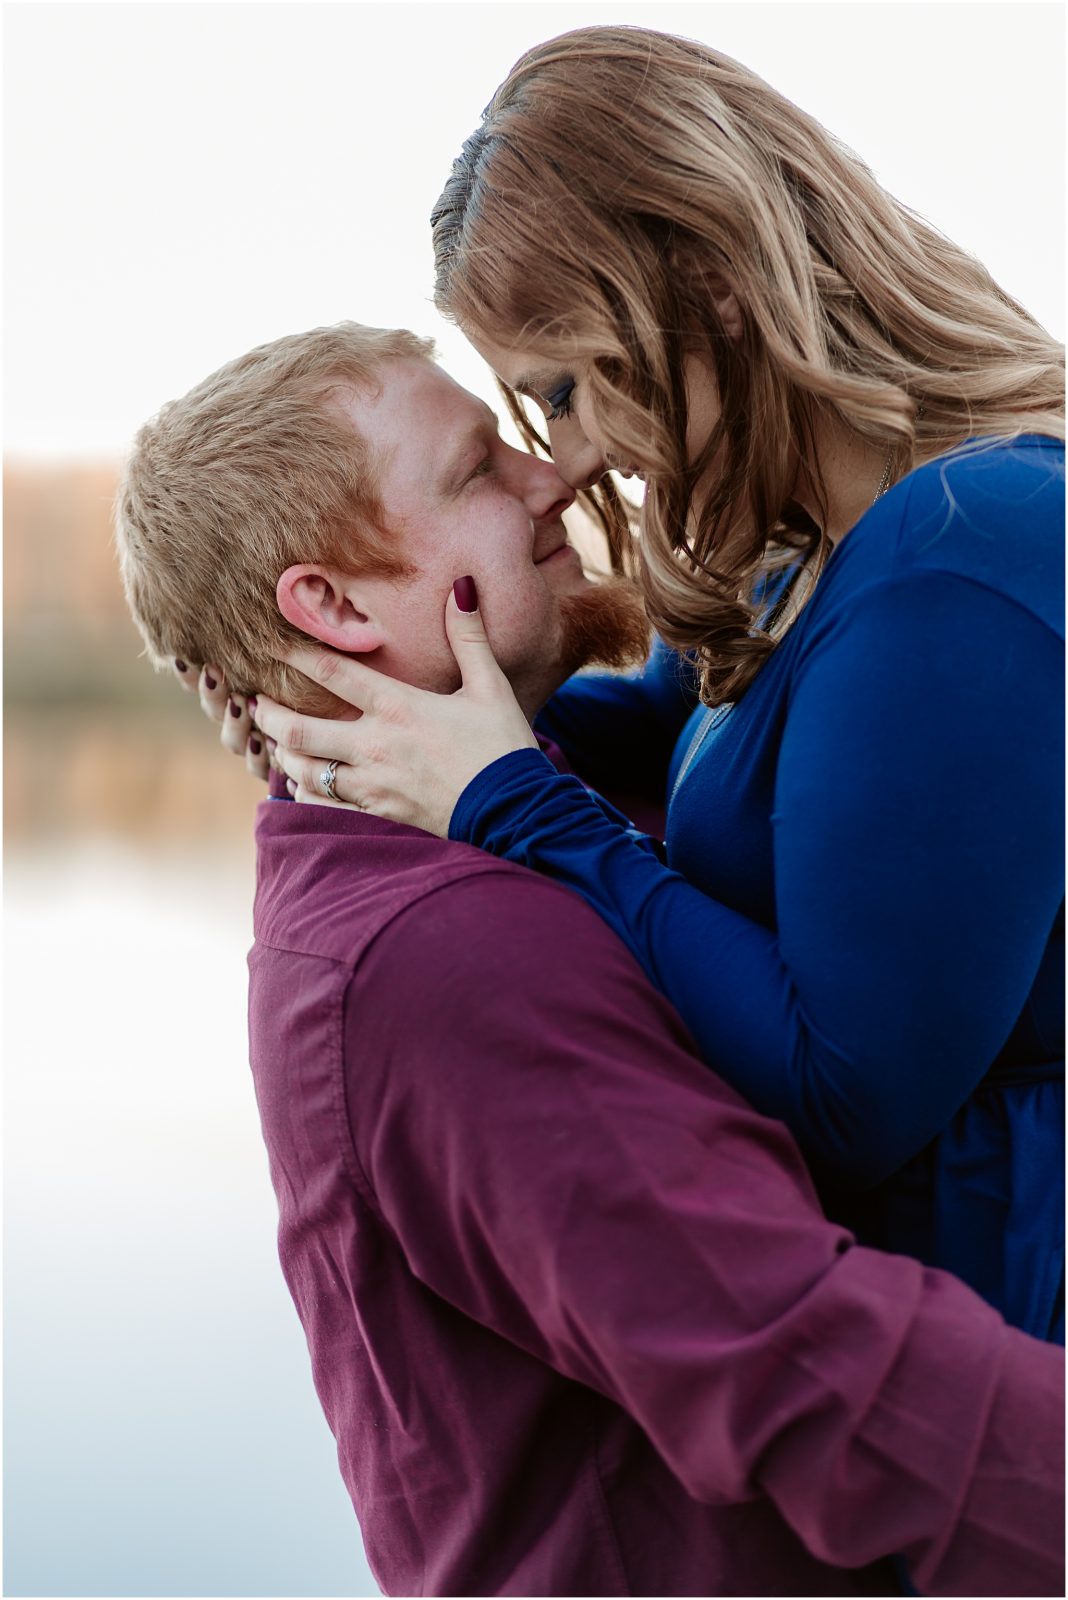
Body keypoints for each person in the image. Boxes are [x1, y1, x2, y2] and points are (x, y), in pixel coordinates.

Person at [115, 322, 1066, 1598]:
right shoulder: (447, 951)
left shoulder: (444, 827)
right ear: (332, 608)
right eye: (476, 472)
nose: (551, 476)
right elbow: (808, 1370)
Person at [251, 25, 1065, 1345]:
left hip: (1004, 1370)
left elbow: (842, 1094)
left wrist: (514, 806)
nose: (565, 465)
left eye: (565, 392)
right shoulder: (802, 538)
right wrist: (379, 706)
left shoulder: (956, 560)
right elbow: (691, 744)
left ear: (706, 281)